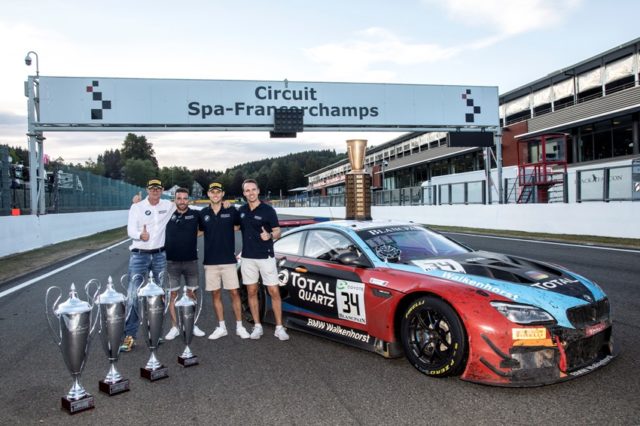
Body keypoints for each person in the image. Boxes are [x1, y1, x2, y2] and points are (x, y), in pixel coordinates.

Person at [120, 178, 175, 352]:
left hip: (159, 255)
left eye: (158, 188)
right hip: (139, 256)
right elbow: (130, 230)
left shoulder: (168, 205)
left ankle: (156, 333)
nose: (155, 191)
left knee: (158, 296)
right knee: (133, 295)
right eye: (152, 188)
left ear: (162, 190)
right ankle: (130, 335)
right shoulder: (137, 207)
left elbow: (184, 204)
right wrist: (139, 235)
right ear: (147, 190)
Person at [238, 179, 289, 341]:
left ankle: (279, 328)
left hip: (266, 257)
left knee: (273, 291)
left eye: (253, 189)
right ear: (244, 193)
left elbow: (278, 232)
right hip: (247, 258)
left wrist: (270, 235)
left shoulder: (268, 210)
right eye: (247, 190)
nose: (250, 193)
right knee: (251, 291)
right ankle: (257, 326)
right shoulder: (241, 210)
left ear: (258, 191)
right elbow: (233, 226)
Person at [199, 182, 250, 340]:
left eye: (218, 192)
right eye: (212, 192)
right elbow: (198, 231)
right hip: (210, 262)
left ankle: (239, 326)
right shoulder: (203, 213)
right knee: (216, 294)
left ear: (222, 194)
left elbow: (240, 225)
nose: (215, 194)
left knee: (234, 293)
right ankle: (221, 327)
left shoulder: (231, 210)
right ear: (208, 194)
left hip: (228, 260)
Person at [163, 187, 206, 341]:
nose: (182, 201)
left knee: (191, 293)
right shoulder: (167, 214)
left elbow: (204, 229)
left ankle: (191, 324)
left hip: (191, 261)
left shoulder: (195, 214)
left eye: (184, 198)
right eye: (179, 198)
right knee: (172, 295)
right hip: (171, 262)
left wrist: (190, 236)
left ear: (189, 199)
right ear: (174, 199)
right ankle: (174, 327)